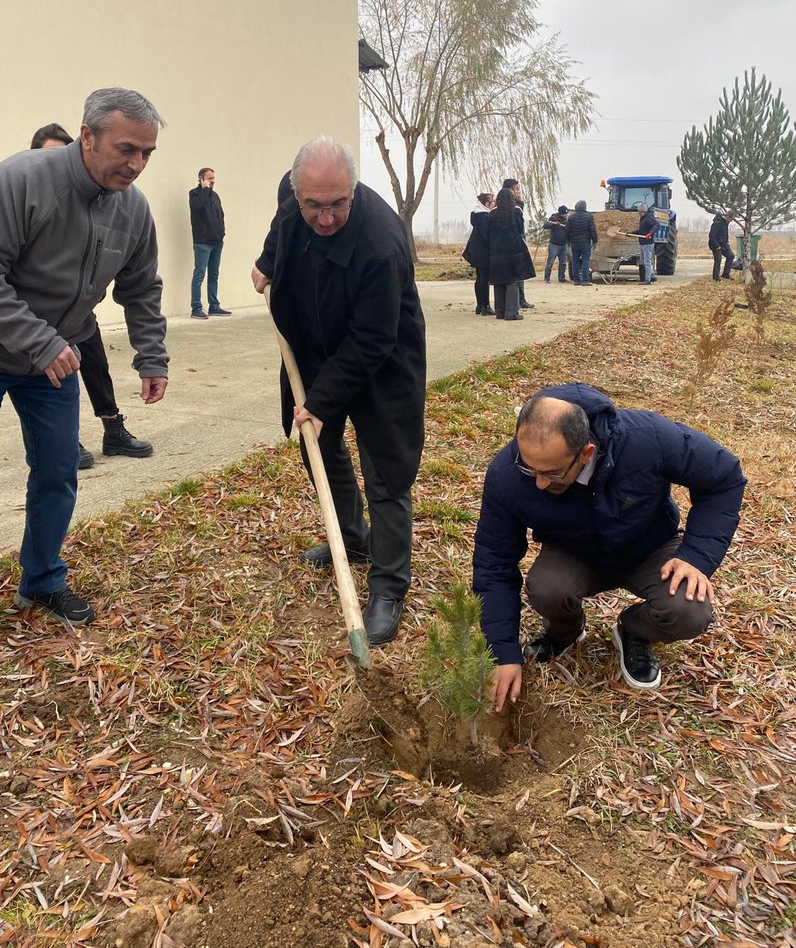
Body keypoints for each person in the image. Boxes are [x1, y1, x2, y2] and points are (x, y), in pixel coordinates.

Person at [0, 88, 169, 669]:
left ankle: (42, 578)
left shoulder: (133, 209)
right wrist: (43, 340)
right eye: (126, 149)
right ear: (87, 135)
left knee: (58, 469)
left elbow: (142, 287)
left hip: (50, 359)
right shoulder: (17, 182)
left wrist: (152, 357)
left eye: (147, 153)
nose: (136, 164)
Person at [473, 384, 746, 708]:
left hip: (650, 548)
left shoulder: (647, 438)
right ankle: (566, 631)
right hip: (573, 552)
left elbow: (723, 477)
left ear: (586, 453)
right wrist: (502, 650)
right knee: (546, 588)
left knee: (688, 609)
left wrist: (697, 556)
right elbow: (494, 564)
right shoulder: (506, 475)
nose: (539, 483)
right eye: (527, 467)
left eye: (552, 473)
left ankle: (634, 631)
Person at [252, 137, 426, 646]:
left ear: (352, 191)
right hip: (311, 347)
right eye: (313, 205)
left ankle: (389, 585)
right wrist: (266, 263)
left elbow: (373, 339)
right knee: (318, 449)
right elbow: (280, 228)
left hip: (381, 362)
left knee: (387, 471)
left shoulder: (382, 242)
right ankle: (350, 537)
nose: (324, 218)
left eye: (336, 205)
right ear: (296, 190)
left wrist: (322, 401)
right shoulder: (294, 201)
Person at [30, 124, 154, 465]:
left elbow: (140, 285)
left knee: (94, 360)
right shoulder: (30, 195)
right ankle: (65, 438)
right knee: (55, 367)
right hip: (33, 318)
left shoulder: (104, 203)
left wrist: (152, 356)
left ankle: (113, 426)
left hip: (78, 313)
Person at [487, 187, 536, 320]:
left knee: (499, 282)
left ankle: (500, 312)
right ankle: (512, 313)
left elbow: (488, 233)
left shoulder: (492, 214)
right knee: (512, 282)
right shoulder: (516, 211)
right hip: (513, 250)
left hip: (496, 252)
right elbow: (520, 230)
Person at [189, 167, 230, 319]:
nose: (212, 181)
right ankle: (196, 308)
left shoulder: (215, 196)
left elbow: (221, 215)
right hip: (202, 242)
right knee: (199, 274)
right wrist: (205, 189)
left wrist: (222, 233)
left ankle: (214, 306)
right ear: (201, 179)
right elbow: (198, 206)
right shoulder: (194, 194)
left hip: (217, 242)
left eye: (213, 178)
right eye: (209, 178)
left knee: (214, 274)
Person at [462, 193, 496, 315]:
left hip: (476, 251)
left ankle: (480, 305)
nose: (495, 204)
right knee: (484, 279)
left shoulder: (478, 215)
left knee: (480, 278)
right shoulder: (485, 216)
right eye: (493, 202)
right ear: (487, 204)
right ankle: (485, 305)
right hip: (482, 251)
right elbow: (486, 235)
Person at [503, 178, 534, 309]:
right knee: (516, 273)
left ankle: (519, 299)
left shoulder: (510, 204)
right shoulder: (512, 206)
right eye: (516, 189)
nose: (518, 192)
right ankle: (518, 300)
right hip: (514, 243)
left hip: (509, 243)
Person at [566, 199, 598, 285]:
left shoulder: (571, 217)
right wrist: (595, 240)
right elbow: (592, 230)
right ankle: (585, 280)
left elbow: (567, 230)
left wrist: (569, 240)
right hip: (585, 242)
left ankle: (576, 280)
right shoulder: (589, 216)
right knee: (585, 261)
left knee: (575, 261)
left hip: (574, 242)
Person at [631, 201, 659, 285]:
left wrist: (650, 233)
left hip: (648, 243)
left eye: (639, 212)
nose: (638, 213)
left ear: (643, 211)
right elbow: (641, 231)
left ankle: (647, 280)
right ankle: (652, 276)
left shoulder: (649, 217)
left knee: (647, 262)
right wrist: (631, 233)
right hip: (643, 243)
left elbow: (657, 225)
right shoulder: (643, 218)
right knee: (643, 261)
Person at [542, 205, 569, 283]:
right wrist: (553, 224)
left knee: (563, 263)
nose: (565, 215)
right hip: (554, 244)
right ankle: (547, 278)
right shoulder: (554, 218)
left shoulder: (567, 220)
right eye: (564, 214)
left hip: (563, 244)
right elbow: (545, 225)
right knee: (550, 262)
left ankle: (561, 278)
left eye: (566, 214)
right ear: (560, 213)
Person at [708, 212, 736, 281]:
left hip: (724, 244)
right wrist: (717, 246)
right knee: (718, 260)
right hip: (715, 244)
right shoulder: (717, 223)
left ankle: (725, 274)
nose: (731, 221)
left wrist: (726, 241)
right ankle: (716, 277)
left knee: (731, 256)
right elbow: (712, 235)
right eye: (731, 219)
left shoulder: (725, 223)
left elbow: (724, 233)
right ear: (728, 217)